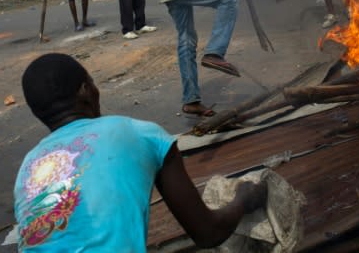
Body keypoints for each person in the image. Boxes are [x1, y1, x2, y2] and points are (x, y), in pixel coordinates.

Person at [14, 53, 266, 251]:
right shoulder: (138, 133)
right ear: (84, 91)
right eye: (91, 81)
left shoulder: (28, 168)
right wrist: (243, 199)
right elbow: (208, 233)